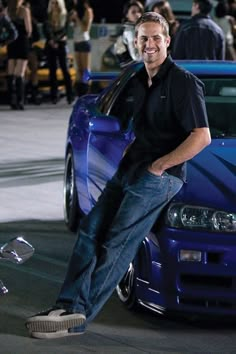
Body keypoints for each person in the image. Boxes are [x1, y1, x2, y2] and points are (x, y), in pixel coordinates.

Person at [25, 11, 211, 339]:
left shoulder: (183, 82)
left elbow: (201, 136)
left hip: (160, 176)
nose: (150, 44)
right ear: (135, 42)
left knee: (117, 242)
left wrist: (160, 165)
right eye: (143, 38)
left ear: (167, 41)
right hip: (129, 170)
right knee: (89, 232)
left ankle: (77, 316)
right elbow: (113, 118)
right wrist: (126, 150)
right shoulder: (137, 81)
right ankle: (64, 304)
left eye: (156, 37)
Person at [43, 0, 73, 104]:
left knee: (65, 70)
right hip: (51, 45)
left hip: (61, 44)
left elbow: (65, 31)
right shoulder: (48, 15)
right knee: (52, 71)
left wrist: (57, 40)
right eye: (52, 3)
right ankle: (54, 96)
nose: (54, 5)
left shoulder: (65, 15)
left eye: (56, 2)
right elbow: (45, 29)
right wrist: (51, 40)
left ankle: (70, 95)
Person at [6, 0, 32, 110]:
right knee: (20, 73)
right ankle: (20, 101)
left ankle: (11, 100)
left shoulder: (8, 10)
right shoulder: (24, 10)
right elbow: (28, 29)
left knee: (11, 72)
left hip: (11, 43)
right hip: (22, 42)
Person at [69, 0, 94, 95]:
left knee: (86, 69)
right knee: (79, 69)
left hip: (84, 41)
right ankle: (80, 92)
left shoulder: (88, 11)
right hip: (76, 41)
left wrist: (77, 18)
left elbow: (85, 29)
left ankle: (87, 90)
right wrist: (72, 18)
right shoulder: (75, 11)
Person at [113, 0, 144, 67]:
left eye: (139, 11)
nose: (137, 15)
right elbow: (136, 56)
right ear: (127, 15)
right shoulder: (130, 31)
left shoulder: (132, 28)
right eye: (133, 12)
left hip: (132, 67)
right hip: (132, 68)